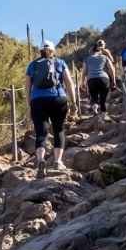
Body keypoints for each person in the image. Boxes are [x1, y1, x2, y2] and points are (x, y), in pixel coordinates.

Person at [26, 40, 77, 177]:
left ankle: (41, 160)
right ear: (53, 50)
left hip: (38, 100)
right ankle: (57, 161)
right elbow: (69, 83)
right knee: (58, 129)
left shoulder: (32, 65)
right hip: (58, 98)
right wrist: (73, 102)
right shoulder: (60, 63)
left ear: (40, 51)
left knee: (41, 132)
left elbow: (27, 87)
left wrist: (29, 103)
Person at [85, 40, 117, 115]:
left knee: (95, 95)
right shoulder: (104, 52)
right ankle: (102, 109)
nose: (101, 45)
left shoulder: (97, 51)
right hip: (104, 75)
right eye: (101, 44)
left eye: (101, 44)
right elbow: (112, 62)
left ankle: (97, 107)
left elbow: (87, 65)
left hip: (94, 76)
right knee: (103, 94)